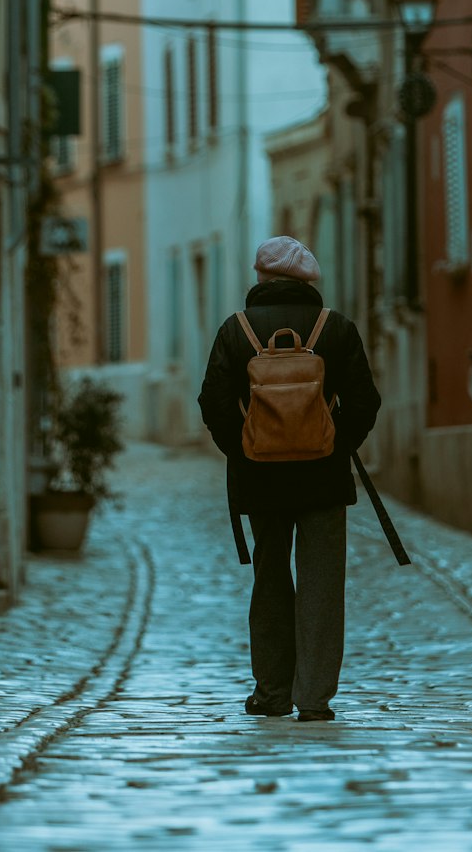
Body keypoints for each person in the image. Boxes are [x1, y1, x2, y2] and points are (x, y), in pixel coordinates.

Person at [198, 235, 381, 722]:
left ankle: (272, 692)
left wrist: (246, 447)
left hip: (262, 481)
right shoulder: (336, 329)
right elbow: (366, 403)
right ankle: (315, 698)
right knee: (323, 585)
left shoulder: (235, 331)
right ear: (307, 282)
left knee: (271, 580)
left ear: (261, 278)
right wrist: (331, 444)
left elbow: (212, 404)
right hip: (323, 479)